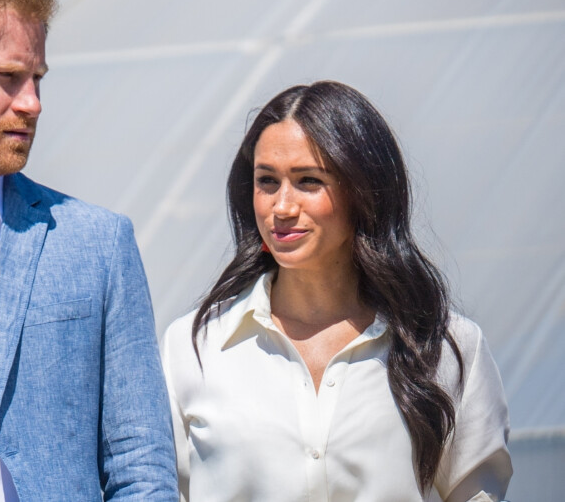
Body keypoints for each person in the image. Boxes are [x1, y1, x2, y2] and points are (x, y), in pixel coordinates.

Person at [162, 80, 512, 502]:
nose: (282, 207)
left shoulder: (446, 348)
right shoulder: (194, 347)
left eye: (309, 180)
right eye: (267, 181)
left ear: (363, 193)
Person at [0, 0, 178, 500]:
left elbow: (140, 462)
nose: (32, 103)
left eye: (37, 78)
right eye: (7, 77)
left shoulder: (96, 243)